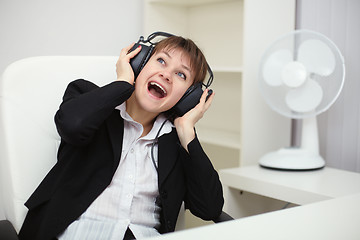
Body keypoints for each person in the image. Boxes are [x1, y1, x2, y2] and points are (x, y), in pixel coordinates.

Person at [18, 35, 224, 240]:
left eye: (181, 75)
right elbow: (72, 125)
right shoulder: (89, 99)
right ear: (140, 61)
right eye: (161, 61)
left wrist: (187, 131)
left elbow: (209, 208)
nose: (167, 75)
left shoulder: (176, 140)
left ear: (188, 96)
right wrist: (124, 82)